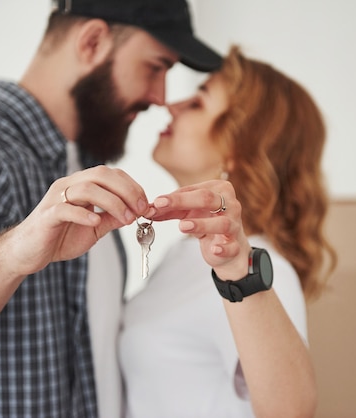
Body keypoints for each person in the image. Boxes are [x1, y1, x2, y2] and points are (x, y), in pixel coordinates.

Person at [0, 0, 222, 416]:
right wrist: (11, 253)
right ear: (93, 41)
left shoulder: (76, 168)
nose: (160, 97)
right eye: (156, 67)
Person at [119, 46, 338, 418]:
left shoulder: (259, 272)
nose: (171, 106)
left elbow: (291, 411)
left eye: (198, 103)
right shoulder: (184, 254)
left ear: (237, 145)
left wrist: (239, 269)